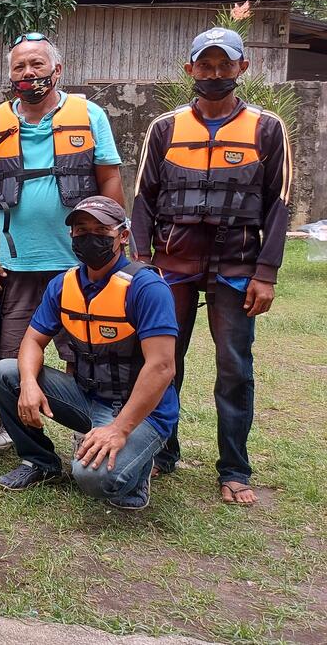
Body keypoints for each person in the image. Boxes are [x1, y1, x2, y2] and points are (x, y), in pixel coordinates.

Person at [131, 27, 291, 506]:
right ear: (190, 70)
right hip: (171, 265)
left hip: (237, 266)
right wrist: (140, 263)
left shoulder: (267, 128)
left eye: (226, 65)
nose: (215, 74)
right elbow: (143, 199)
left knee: (235, 368)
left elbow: (279, 205)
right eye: (206, 65)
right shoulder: (164, 128)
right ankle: (161, 452)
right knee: (162, 361)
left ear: (243, 69)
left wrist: (267, 273)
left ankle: (234, 468)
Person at [0, 33, 124, 451]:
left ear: (57, 70)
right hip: (18, 261)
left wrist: (115, 241)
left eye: (36, 64)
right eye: (19, 66)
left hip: (78, 259)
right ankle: (13, 426)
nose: (28, 73)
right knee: (12, 349)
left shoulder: (89, 115)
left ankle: (83, 427)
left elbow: (109, 178)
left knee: (84, 351)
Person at [0, 196, 178, 511]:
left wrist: (119, 429)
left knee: (94, 479)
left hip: (140, 411)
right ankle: (40, 462)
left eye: (100, 229)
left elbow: (161, 367)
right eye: (81, 230)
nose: (90, 237)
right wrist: (30, 384)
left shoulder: (145, 287)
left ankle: (138, 470)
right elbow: (32, 342)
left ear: (123, 236)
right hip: (87, 396)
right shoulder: (63, 284)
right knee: (5, 374)